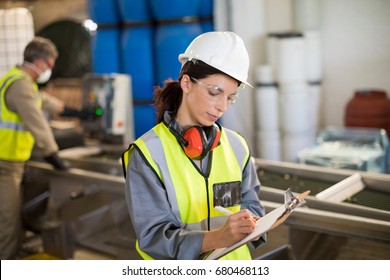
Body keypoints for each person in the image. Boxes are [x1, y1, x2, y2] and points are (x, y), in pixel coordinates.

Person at [121, 31, 267, 260]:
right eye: (214, 93)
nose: (222, 107)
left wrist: (253, 224)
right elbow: (153, 238)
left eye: (230, 97)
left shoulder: (237, 146)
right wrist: (217, 237)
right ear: (187, 83)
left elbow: (252, 205)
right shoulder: (148, 154)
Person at [0, 37, 70, 259]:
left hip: (13, 162)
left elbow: (42, 100)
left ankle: (15, 251)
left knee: (13, 215)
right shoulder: (20, 84)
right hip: (5, 165)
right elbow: (36, 120)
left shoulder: (17, 79)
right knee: (8, 221)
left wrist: (73, 111)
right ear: (39, 62)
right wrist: (52, 154)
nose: (50, 69)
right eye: (49, 64)